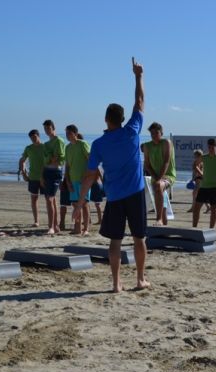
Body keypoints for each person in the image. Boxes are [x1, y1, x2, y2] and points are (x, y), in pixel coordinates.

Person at [74, 57, 149, 292]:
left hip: (115, 196)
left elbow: (89, 175)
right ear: (122, 118)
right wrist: (138, 76)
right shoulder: (132, 132)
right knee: (139, 239)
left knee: (115, 242)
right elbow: (139, 101)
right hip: (135, 194)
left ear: (106, 119)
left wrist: (79, 201)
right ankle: (139, 279)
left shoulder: (98, 144)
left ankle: (116, 284)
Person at [142, 122, 176, 225]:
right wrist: (155, 177)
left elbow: (166, 161)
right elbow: (147, 165)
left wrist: (159, 178)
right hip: (155, 176)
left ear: (161, 133)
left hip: (168, 175)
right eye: (152, 133)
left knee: (158, 186)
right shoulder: (147, 146)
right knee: (163, 206)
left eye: (156, 133)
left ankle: (158, 219)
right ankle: (163, 224)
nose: (154, 135)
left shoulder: (166, 142)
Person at [65, 125, 91, 235]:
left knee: (84, 204)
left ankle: (86, 229)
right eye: (66, 133)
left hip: (83, 180)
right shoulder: (68, 147)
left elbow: (91, 161)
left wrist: (85, 176)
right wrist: (67, 181)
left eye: (69, 133)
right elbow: (67, 166)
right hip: (73, 179)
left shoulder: (83, 144)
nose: (67, 135)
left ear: (75, 133)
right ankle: (77, 228)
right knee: (75, 205)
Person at [192, 138, 216, 229]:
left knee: (214, 210)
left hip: (214, 187)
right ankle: (194, 228)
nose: (211, 149)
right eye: (209, 147)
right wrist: (201, 173)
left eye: (212, 147)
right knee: (196, 208)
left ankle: (211, 229)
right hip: (204, 186)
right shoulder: (204, 157)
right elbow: (195, 165)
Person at [42, 119, 66, 235]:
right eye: (45, 129)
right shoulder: (46, 144)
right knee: (51, 199)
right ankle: (55, 225)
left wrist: (51, 159)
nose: (47, 131)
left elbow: (59, 158)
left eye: (49, 128)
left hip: (56, 172)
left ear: (53, 128)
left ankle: (51, 226)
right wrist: (50, 159)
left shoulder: (59, 140)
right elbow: (46, 159)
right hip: (47, 171)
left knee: (50, 199)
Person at [19, 129, 46, 227]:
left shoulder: (45, 147)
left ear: (38, 136)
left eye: (34, 137)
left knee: (49, 199)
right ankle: (36, 220)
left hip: (45, 178)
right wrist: (24, 173)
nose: (33, 139)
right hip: (33, 177)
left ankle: (52, 221)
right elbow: (22, 160)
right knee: (34, 199)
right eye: (31, 138)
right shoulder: (28, 148)